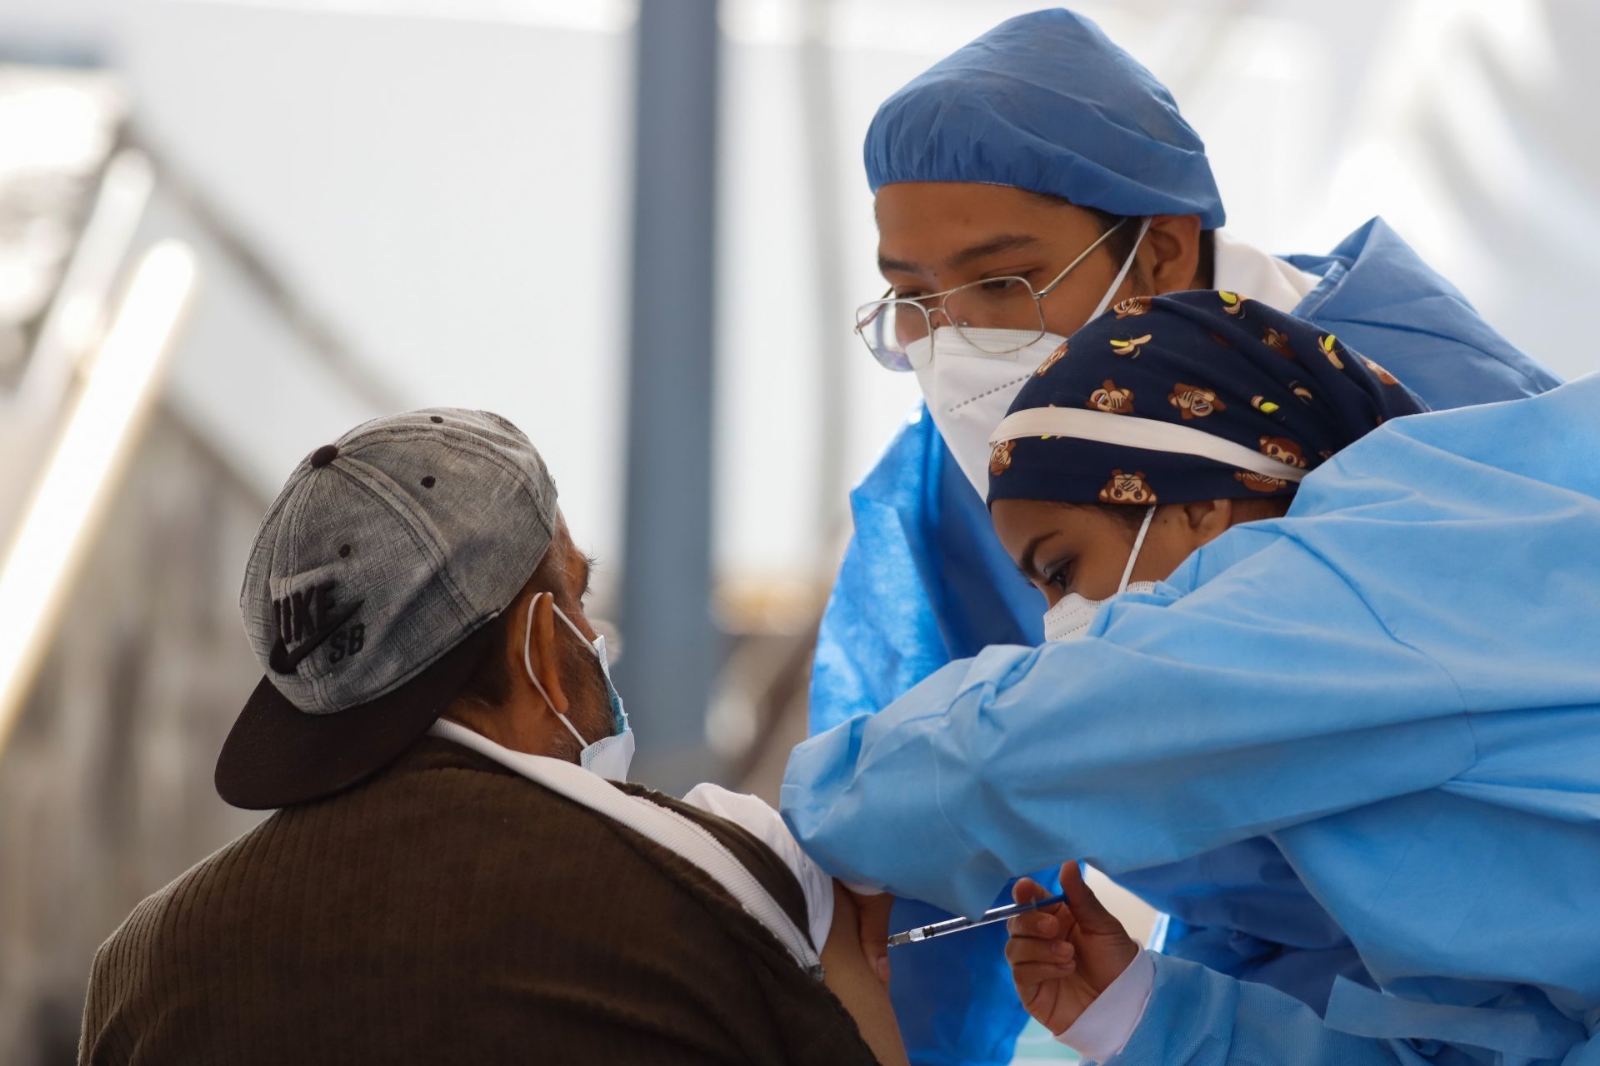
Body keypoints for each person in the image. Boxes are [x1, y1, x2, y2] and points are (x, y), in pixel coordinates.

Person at [812, 8, 1564, 1061]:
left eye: (1003, 284)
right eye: (909, 298)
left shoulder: (1439, 443)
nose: (954, 348)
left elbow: (1104, 719)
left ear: (1160, 251)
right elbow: (898, 915)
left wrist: (793, 823)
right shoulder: (964, 477)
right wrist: (1150, 1016)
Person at [785, 293, 1600, 1064]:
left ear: (1202, 506)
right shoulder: (1387, 703)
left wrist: (786, 838)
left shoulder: (1376, 572)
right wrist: (1144, 1013)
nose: (1057, 630)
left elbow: (1031, 743)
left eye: (1064, 568)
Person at [79, 409, 907, 1066]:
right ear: (543, 640)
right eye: (579, 598)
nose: (593, 632)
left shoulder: (140, 974)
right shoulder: (717, 879)